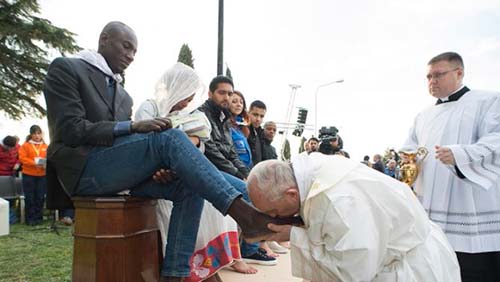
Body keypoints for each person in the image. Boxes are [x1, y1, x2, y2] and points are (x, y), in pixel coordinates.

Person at [43, 21, 300, 282]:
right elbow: (70, 130)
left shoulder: (123, 95)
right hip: (85, 170)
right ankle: (245, 215)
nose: (131, 55)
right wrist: (132, 126)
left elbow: (127, 149)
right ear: (104, 39)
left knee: (188, 184)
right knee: (170, 138)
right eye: (126, 46)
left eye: (135, 50)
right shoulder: (67, 68)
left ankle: (174, 275)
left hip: (116, 172)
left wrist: (156, 168)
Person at [247, 153, 461, 281]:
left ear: (291, 194)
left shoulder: (339, 202)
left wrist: (294, 236)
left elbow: (352, 272)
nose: (274, 217)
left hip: (409, 268)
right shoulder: (310, 171)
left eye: (274, 211)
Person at [135, 62, 254, 281]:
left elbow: (195, 146)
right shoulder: (150, 108)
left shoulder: (190, 115)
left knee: (228, 191)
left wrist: (193, 140)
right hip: (155, 174)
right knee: (203, 191)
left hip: (179, 170)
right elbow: (146, 147)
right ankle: (185, 273)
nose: (188, 101)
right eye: (186, 95)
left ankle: (207, 268)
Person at [402, 51, 500, 282]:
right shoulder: (423, 116)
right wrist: (408, 161)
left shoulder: (489, 100)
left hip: (471, 204)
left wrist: (460, 155)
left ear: (459, 73)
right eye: (428, 77)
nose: (432, 81)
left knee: (475, 270)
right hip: (433, 206)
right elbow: (410, 148)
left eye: (438, 75)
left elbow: (497, 138)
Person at [200, 81, 276, 266]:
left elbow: (232, 153)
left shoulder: (223, 119)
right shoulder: (202, 115)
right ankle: (249, 250)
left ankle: (256, 245)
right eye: (221, 93)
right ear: (210, 94)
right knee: (249, 192)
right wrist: (239, 174)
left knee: (256, 188)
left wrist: (248, 174)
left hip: (224, 169)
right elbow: (212, 152)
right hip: (209, 169)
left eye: (229, 93)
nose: (226, 98)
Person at [18, 125, 48, 225]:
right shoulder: (25, 145)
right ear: (31, 134)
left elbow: (49, 158)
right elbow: (22, 158)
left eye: (39, 133)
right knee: (30, 197)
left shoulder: (45, 146)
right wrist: (34, 163)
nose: (37, 136)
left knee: (40, 197)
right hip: (29, 175)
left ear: (41, 134)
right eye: (34, 133)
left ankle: (39, 218)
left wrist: (46, 164)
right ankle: (30, 219)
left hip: (42, 175)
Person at [228, 91, 253, 169]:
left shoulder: (241, 126)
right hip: (235, 170)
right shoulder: (225, 125)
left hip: (247, 169)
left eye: (241, 102)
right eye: (234, 101)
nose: (239, 105)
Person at [246, 100, 267, 164]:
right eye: (255, 115)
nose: (258, 119)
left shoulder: (261, 134)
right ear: (248, 112)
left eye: (261, 116)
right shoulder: (241, 130)